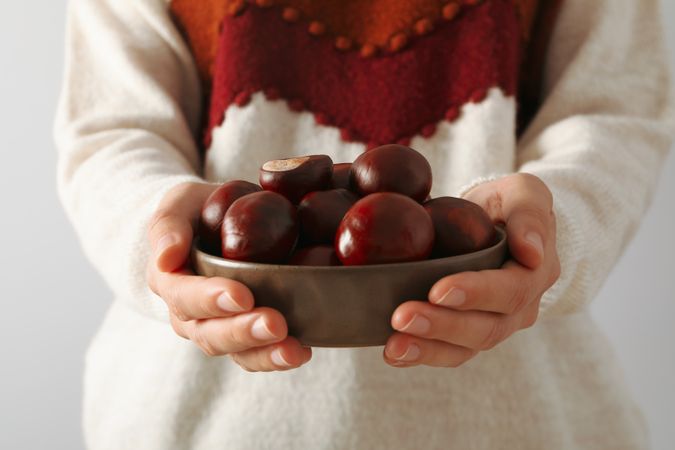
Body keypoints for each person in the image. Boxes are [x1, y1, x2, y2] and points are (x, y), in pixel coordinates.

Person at [55, 0, 674, 448]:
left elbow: (615, 106)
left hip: (521, 418)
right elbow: (112, 127)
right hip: (193, 417)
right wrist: (161, 239)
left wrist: (548, 231)